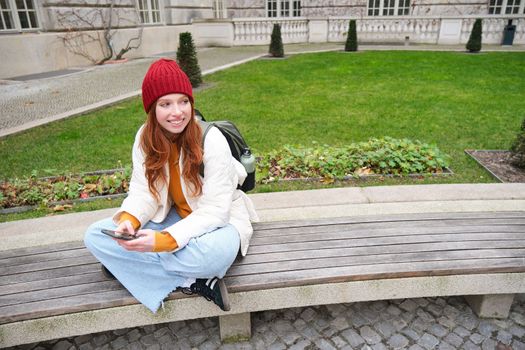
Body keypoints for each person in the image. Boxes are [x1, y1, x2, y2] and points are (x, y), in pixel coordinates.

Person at [84, 58, 258, 313]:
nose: (177, 112)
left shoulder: (212, 140)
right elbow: (144, 192)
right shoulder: (144, 138)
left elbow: (216, 212)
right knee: (95, 236)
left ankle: (129, 264)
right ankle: (196, 281)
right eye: (166, 104)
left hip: (220, 222)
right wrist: (130, 221)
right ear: (152, 109)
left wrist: (163, 242)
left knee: (214, 256)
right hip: (173, 218)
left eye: (183, 101)